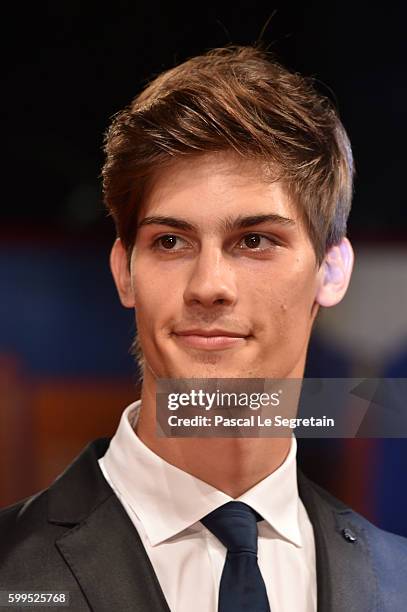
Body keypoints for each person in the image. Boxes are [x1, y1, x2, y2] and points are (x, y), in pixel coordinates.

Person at [0, 45, 406, 612]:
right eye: (170, 241)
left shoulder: (398, 583)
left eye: (255, 240)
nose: (208, 284)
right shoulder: (10, 575)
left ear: (331, 270)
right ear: (125, 272)